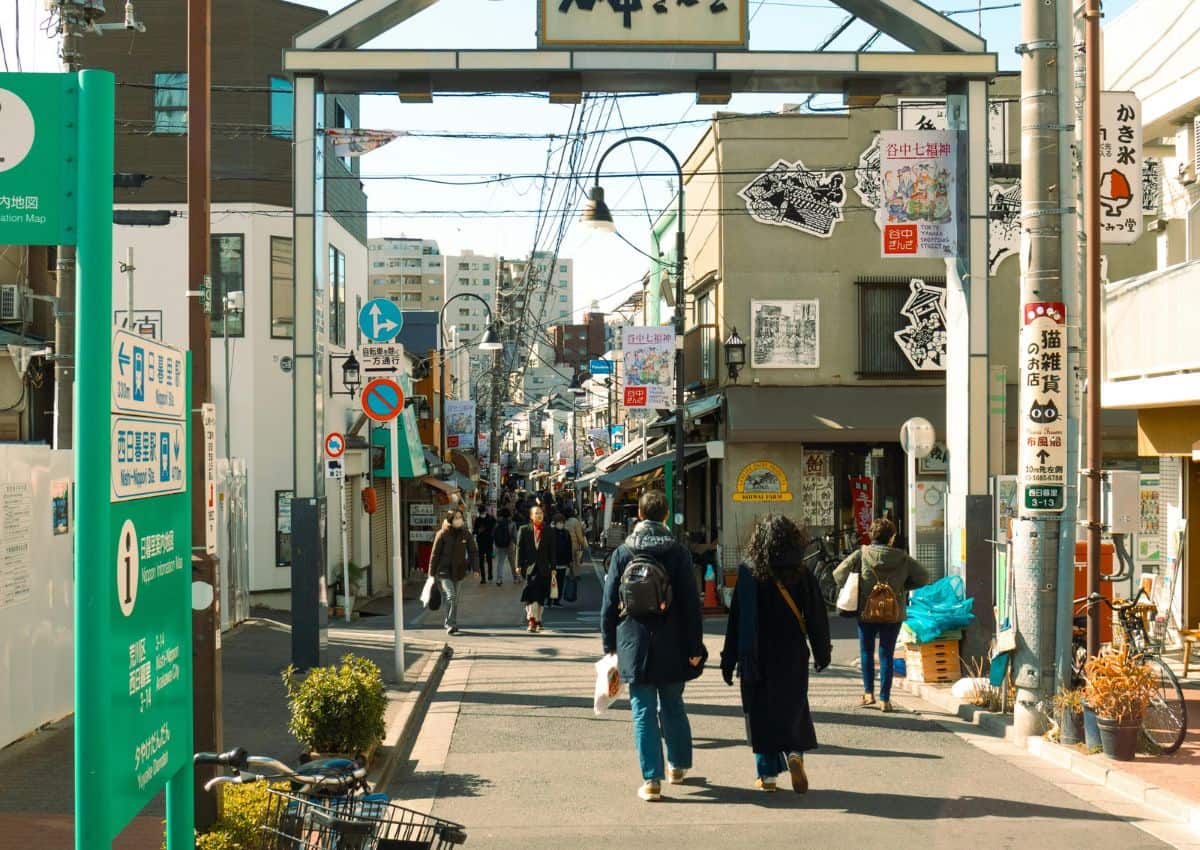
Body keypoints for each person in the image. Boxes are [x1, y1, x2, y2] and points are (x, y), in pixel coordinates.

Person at [602, 490, 706, 802]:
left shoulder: (623, 552)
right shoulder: (677, 552)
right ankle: (678, 766)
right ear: (665, 515)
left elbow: (609, 603)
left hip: (634, 644)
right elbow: (691, 604)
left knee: (643, 711)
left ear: (638, 516)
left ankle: (651, 781)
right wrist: (694, 646)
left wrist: (610, 645)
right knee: (673, 705)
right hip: (673, 642)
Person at [720, 515, 831, 793]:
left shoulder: (748, 571)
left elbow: (737, 619)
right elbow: (817, 615)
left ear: (759, 542)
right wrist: (821, 652)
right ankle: (795, 752)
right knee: (793, 706)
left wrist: (728, 658)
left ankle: (767, 775)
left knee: (760, 713)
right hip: (792, 652)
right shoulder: (802, 572)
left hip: (756, 655)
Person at [833, 516, 930, 712]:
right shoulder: (902, 558)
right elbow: (924, 576)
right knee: (886, 654)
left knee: (867, 652)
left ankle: (868, 694)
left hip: (866, 612)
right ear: (891, 538)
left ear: (871, 535)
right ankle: (885, 699)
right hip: (893, 612)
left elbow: (837, 574)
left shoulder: (862, 554)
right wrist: (902, 588)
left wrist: (857, 584)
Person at [429, 509, 479, 635]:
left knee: (455, 599)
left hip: (460, 571)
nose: (459, 520)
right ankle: (450, 624)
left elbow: (473, 552)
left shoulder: (465, 534)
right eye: (456, 517)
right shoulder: (442, 534)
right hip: (443, 571)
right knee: (451, 596)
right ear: (450, 519)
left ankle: (453, 622)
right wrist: (431, 574)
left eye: (460, 517)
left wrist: (476, 569)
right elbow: (434, 554)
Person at [516, 504, 557, 632]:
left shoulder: (549, 530)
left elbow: (553, 551)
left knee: (540, 595)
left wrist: (554, 567)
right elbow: (519, 548)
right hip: (529, 567)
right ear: (531, 516)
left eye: (541, 513)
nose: (539, 515)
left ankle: (538, 619)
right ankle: (532, 620)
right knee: (531, 594)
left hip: (544, 568)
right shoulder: (524, 530)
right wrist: (518, 565)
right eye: (536, 513)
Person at [547, 513, 572, 607]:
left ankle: (557, 600)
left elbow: (569, 547)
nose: (561, 524)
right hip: (552, 563)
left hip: (563, 562)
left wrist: (569, 560)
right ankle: (549, 600)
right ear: (555, 522)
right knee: (552, 582)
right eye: (559, 522)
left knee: (560, 582)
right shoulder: (550, 532)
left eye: (562, 522)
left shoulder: (566, 533)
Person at [563, 507, 588, 581]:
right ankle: (575, 575)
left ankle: (566, 574)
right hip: (574, 543)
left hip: (564, 543)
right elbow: (579, 535)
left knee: (566, 559)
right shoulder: (575, 521)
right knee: (575, 560)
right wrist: (582, 544)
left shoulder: (563, 521)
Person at [492, 507, 516, 586]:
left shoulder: (497, 523)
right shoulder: (512, 523)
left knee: (500, 562)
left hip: (500, 545)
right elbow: (514, 536)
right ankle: (515, 577)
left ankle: (499, 579)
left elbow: (494, 534)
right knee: (512, 562)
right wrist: (516, 543)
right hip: (509, 545)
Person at [474, 504, 496, 585]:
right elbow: (475, 531)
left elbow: (495, 526)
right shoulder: (479, 519)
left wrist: (491, 533)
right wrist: (478, 531)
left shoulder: (489, 518)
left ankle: (488, 575)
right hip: (483, 541)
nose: (482, 514)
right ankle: (484, 577)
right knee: (483, 560)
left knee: (487, 559)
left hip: (487, 541)